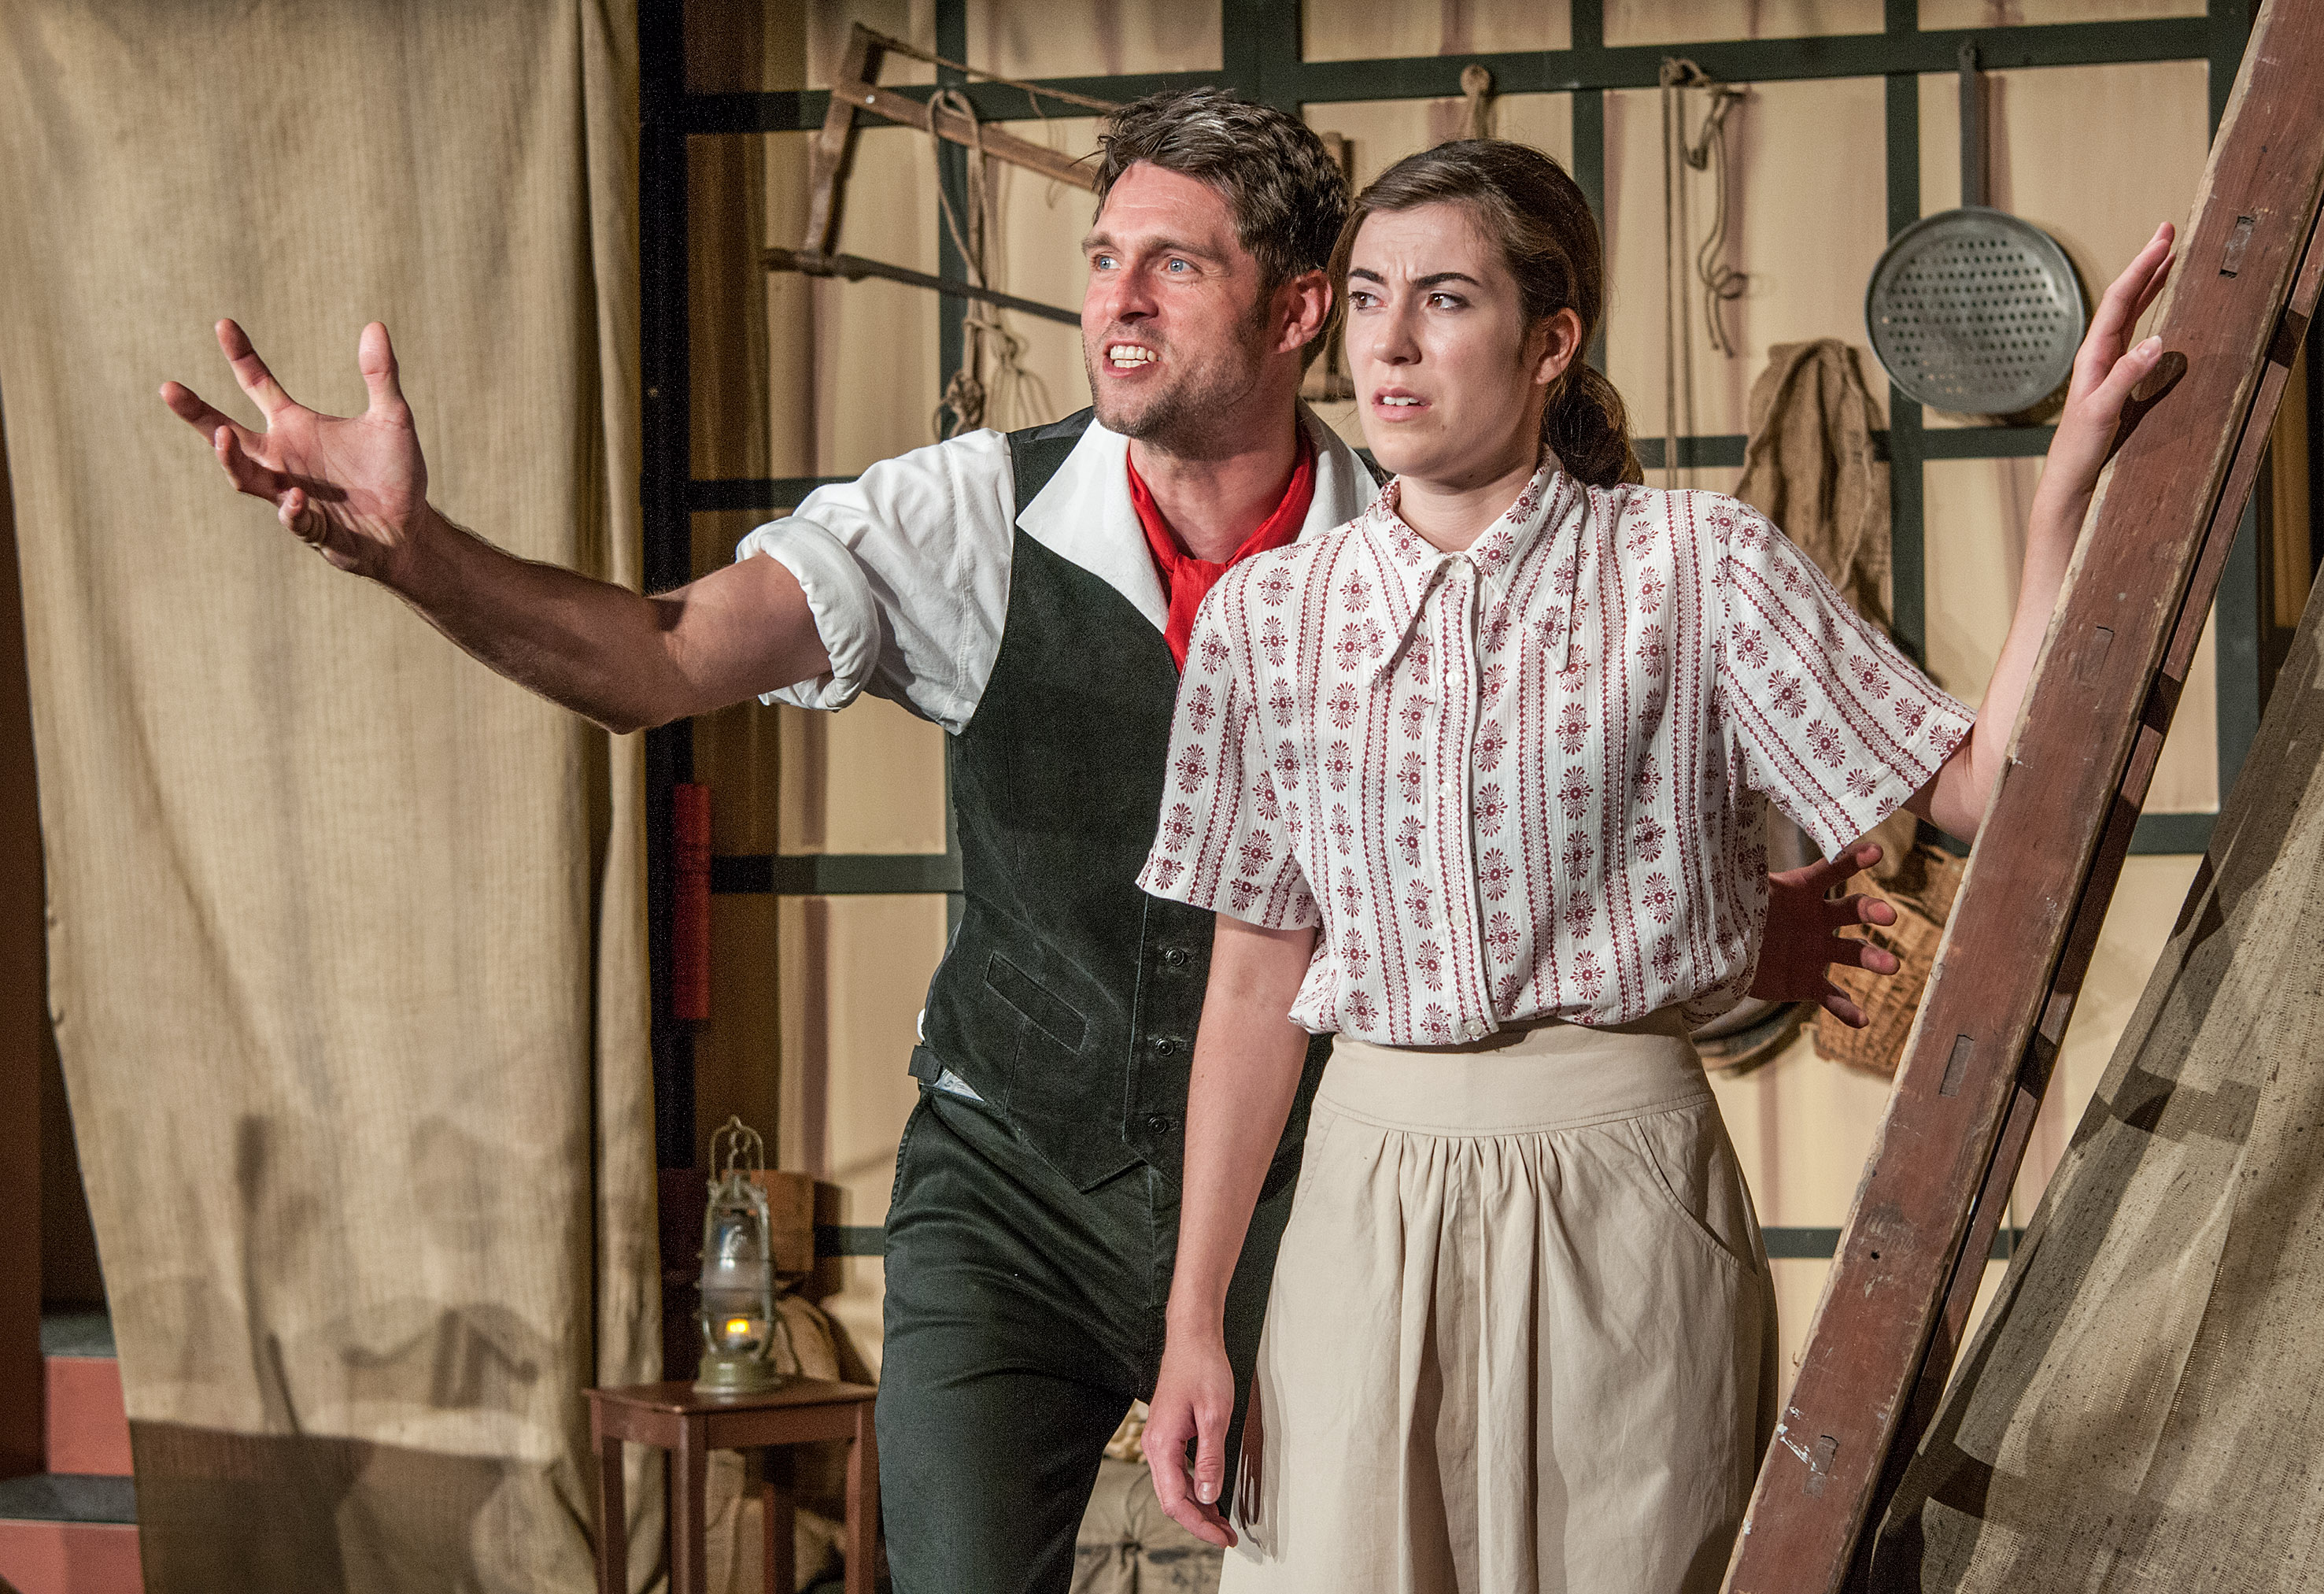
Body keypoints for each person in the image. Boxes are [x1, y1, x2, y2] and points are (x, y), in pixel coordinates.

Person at [161, 94, 1906, 1594]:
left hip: (1306, 1193)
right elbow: (660, 655)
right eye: (1101, 258)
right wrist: (417, 553)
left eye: (1173, 265)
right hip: (1010, 1181)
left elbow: (1534, 846)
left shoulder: (1421, 535)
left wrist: (1725, 928)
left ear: (1300, 310)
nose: (1114, 303)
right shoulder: (965, 515)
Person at [1133, 139, 2173, 1593]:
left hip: (1627, 1189)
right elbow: (1251, 990)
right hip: (1360, 1198)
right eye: (1367, 296)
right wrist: (1192, 1323)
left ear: (1550, 340)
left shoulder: (1696, 566)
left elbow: (1976, 792)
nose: (1389, 341)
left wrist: (2062, 498)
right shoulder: (1267, 617)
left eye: (1444, 299)